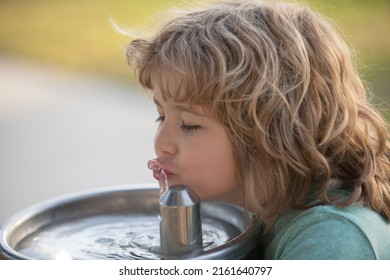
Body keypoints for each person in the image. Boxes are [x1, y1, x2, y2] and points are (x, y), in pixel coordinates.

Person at [126, 0, 390, 259]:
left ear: (271, 135)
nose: (162, 143)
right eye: (161, 117)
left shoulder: (330, 240)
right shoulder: (264, 200)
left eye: (189, 124)